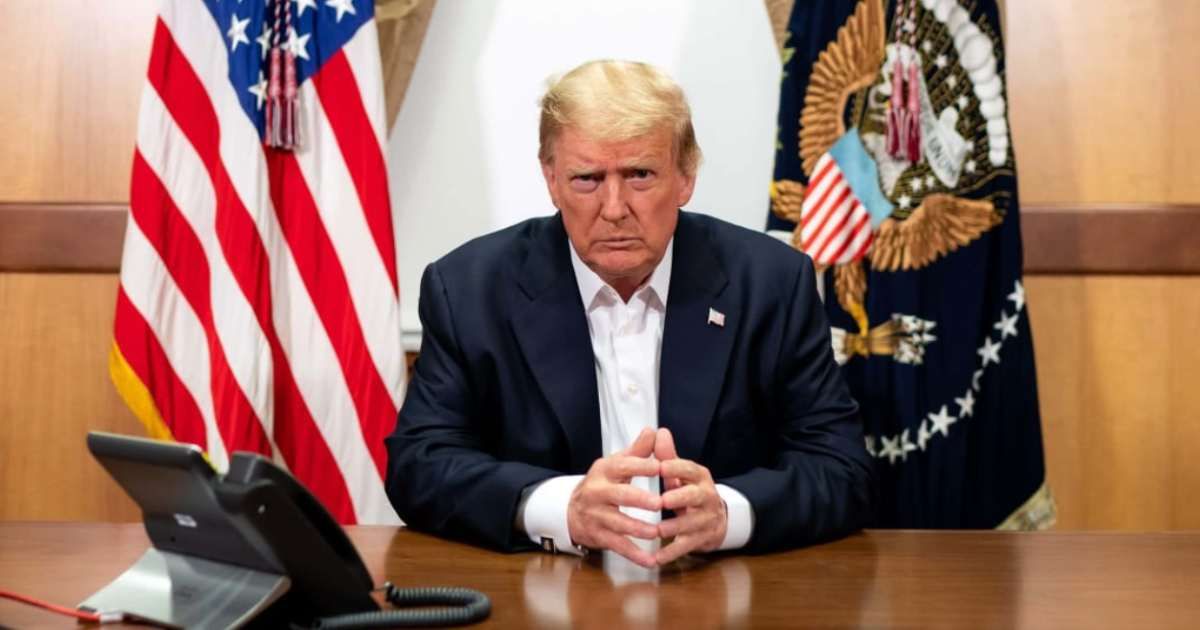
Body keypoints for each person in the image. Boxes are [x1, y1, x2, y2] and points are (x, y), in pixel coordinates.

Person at [386, 60, 873, 567]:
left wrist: (727, 513)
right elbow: (420, 466)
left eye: (640, 175)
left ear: (685, 177)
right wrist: (559, 507)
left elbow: (841, 469)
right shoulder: (469, 289)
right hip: (548, 597)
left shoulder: (771, 283)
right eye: (587, 179)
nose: (614, 207)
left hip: (719, 597)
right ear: (551, 179)